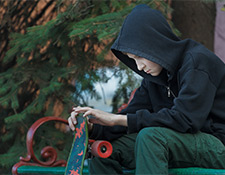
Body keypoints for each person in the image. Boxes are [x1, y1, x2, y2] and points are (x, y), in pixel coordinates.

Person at [68, 4, 225, 174]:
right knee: (103, 150)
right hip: (179, 142)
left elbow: (185, 119)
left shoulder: (198, 62)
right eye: (132, 59)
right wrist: (93, 127)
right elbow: (131, 116)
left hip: (218, 144)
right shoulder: (154, 78)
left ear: (155, 43)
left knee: (151, 137)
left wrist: (117, 119)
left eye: (139, 56)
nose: (139, 67)